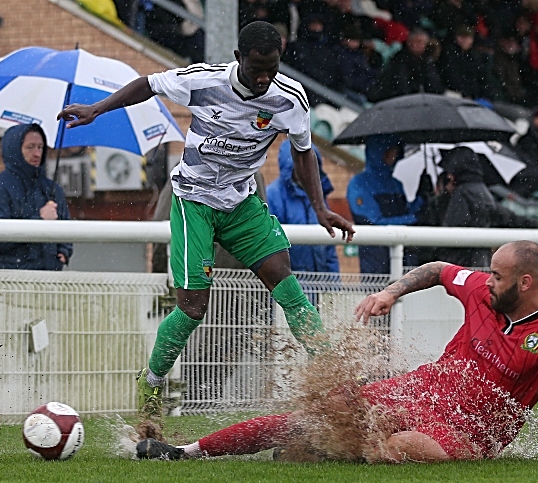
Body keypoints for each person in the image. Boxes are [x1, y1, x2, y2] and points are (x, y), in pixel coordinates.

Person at [57, 21, 355, 427]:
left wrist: (320, 207)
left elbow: (304, 152)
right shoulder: (203, 81)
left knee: (284, 280)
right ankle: (151, 382)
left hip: (241, 203)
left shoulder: (289, 99)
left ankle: (335, 384)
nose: (265, 77)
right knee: (194, 307)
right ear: (238, 59)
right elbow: (148, 83)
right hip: (194, 201)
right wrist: (97, 109)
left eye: (272, 67)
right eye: (256, 68)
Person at [135, 241, 538, 468]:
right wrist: (391, 293)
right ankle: (184, 451)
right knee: (327, 409)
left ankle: (321, 452)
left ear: (525, 283)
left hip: (470, 430)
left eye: (497, 276)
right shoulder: (483, 288)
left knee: (405, 446)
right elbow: (439, 270)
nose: (486, 279)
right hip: (424, 389)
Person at [0, 123, 73, 270]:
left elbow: (67, 228)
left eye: (40, 147)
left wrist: (64, 251)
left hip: (50, 281)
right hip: (12, 282)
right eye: (30, 147)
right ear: (15, 150)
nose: (37, 153)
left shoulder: (53, 189)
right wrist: (40, 220)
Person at [347, 135, 424, 273]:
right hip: (375, 258)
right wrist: (413, 219)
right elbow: (372, 222)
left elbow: (405, 212)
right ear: (378, 153)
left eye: (395, 152)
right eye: (389, 152)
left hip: (403, 255)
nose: (393, 157)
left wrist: (421, 198)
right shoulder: (359, 184)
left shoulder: (396, 184)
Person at [266, 140, 339, 273]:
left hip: (320, 281)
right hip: (291, 282)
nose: (306, 170)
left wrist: (333, 286)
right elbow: (271, 246)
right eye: (300, 164)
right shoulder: (273, 195)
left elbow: (330, 248)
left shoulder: (318, 195)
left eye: (310, 165)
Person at [368, 28, 445, 102]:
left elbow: (434, 83)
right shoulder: (400, 59)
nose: (419, 45)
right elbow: (401, 86)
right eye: (417, 42)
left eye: (422, 42)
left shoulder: (427, 61)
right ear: (409, 42)